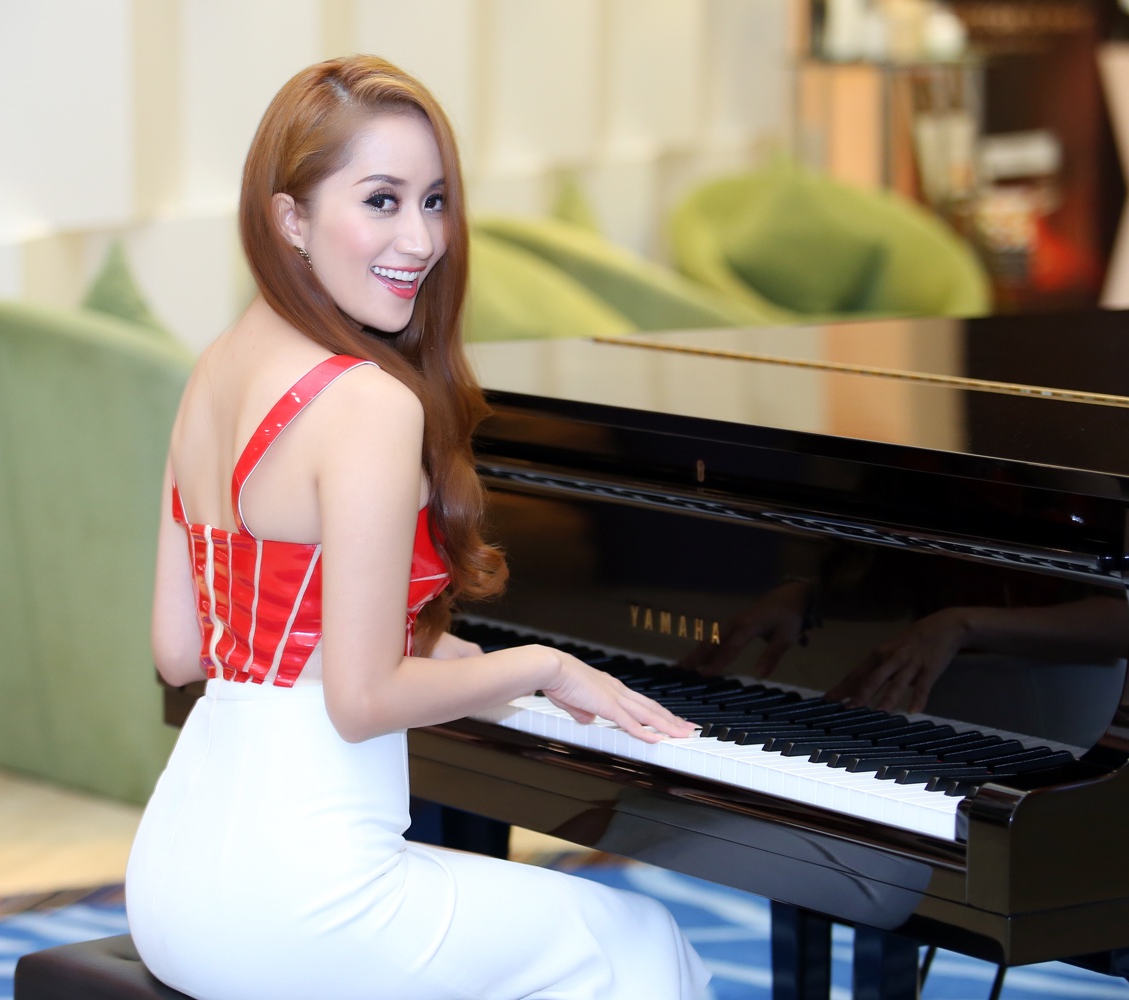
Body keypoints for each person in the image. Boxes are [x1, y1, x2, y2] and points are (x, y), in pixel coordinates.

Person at [124, 55, 711, 1000]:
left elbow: (185, 651)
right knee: (636, 941)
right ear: (290, 219)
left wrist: (445, 652)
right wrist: (544, 667)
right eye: (382, 201)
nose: (423, 238)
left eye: (434, 200)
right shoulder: (368, 403)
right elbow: (359, 700)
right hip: (302, 901)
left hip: (174, 882)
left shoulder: (213, 370)